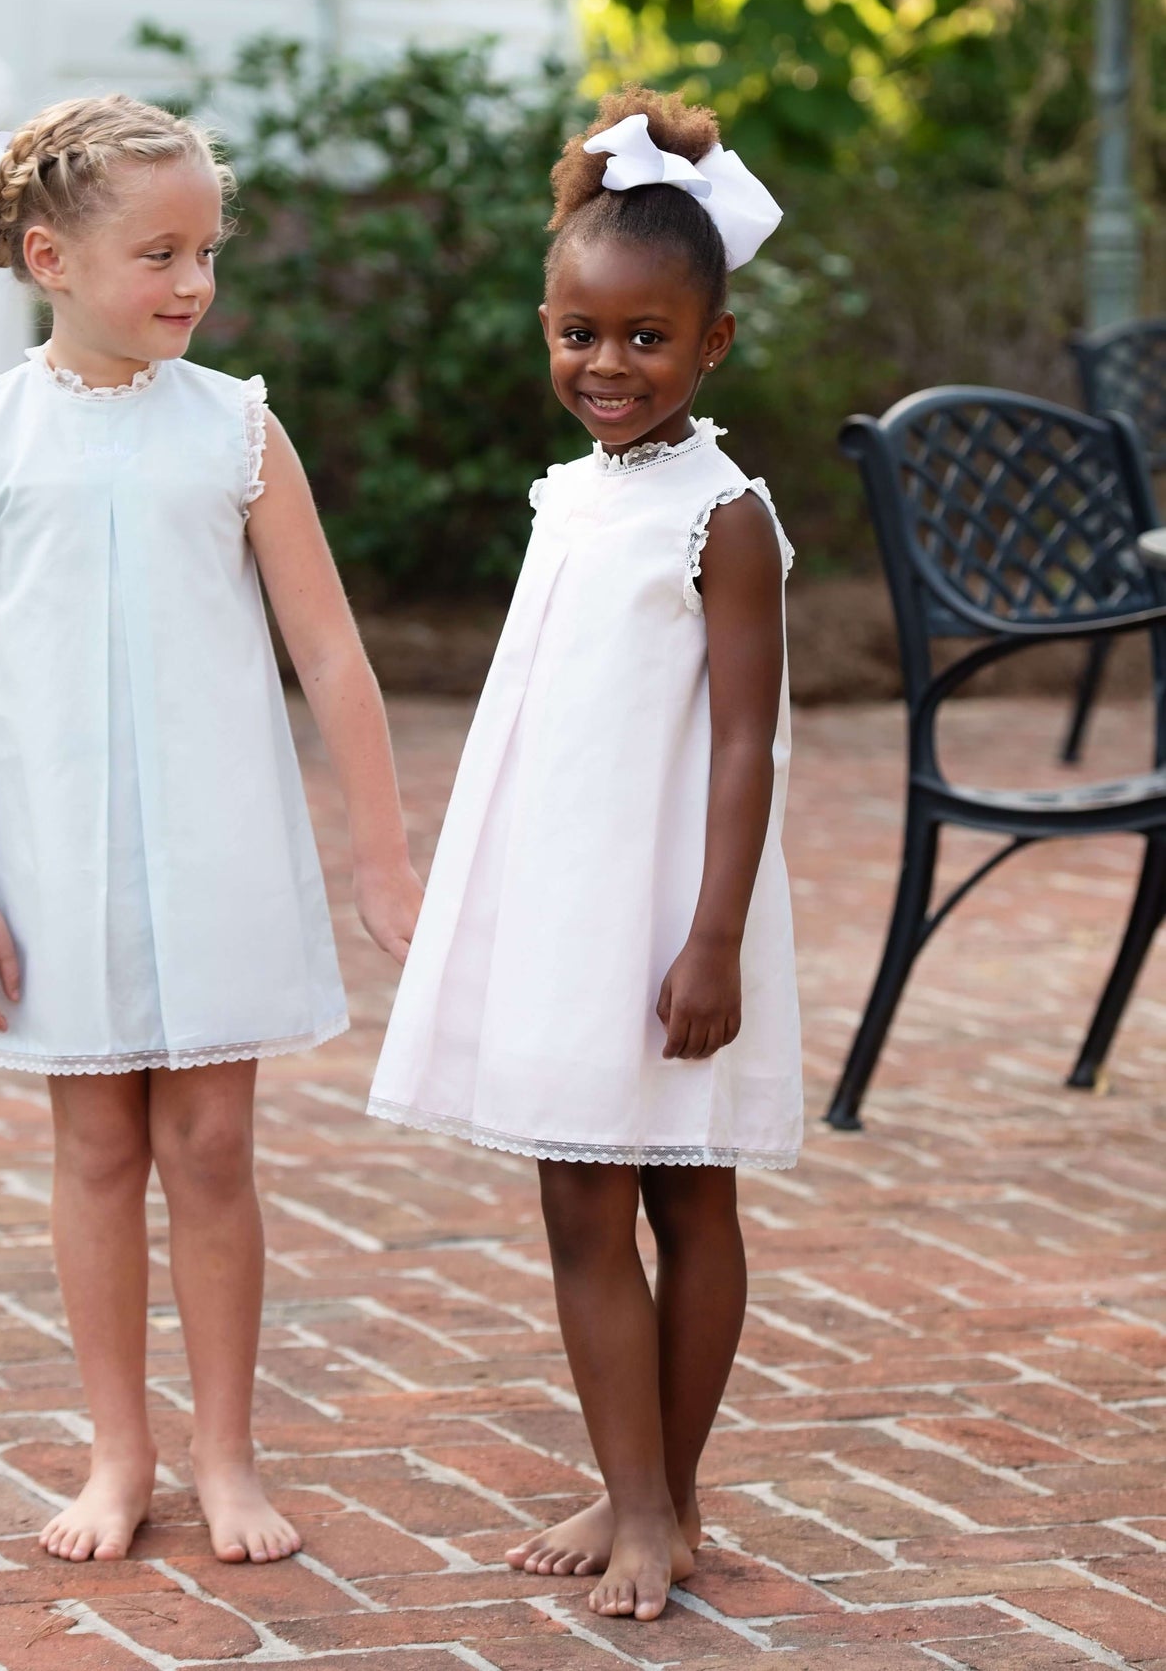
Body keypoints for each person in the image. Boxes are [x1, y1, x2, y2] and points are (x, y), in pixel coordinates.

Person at [0, 94, 422, 1566]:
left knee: (210, 1142)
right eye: (159, 253)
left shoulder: (238, 427)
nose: (192, 282)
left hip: (215, 842)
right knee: (95, 1151)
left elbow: (331, 658)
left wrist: (381, 861)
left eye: (207, 252)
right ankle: (116, 1453)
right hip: (52, 851)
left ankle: (225, 1453)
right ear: (50, 256)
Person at [367, 87, 801, 1622]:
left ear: (711, 345)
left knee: (690, 1200)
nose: (604, 367)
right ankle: (635, 1489)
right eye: (576, 334)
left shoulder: (723, 514)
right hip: (563, 894)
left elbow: (746, 741)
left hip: (675, 909)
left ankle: (664, 1502)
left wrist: (711, 936)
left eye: (643, 339)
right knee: (575, 1204)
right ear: (544, 325)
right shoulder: (571, 495)